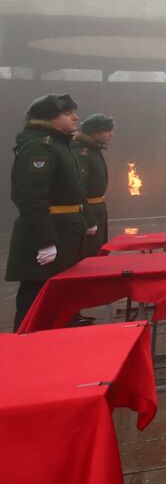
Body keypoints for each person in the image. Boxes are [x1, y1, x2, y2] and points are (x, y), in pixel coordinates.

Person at [7, 94, 86, 331]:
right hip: (49, 232)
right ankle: (25, 347)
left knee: (56, 300)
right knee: (35, 298)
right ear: (48, 118)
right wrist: (45, 242)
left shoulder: (59, 145)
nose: (76, 117)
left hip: (65, 231)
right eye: (67, 113)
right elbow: (31, 198)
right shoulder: (40, 147)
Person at [72, 112, 114, 256]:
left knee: (99, 250)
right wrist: (88, 218)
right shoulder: (82, 151)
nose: (111, 134)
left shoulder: (93, 149)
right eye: (107, 130)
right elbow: (79, 187)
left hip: (97, 209)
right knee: (90, 253)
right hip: (88, 210)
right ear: (94, 132)